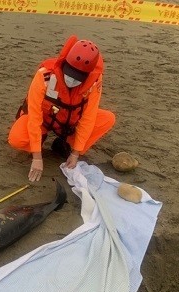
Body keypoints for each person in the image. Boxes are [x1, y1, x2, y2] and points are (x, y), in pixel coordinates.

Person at [8, 35, 116, 182]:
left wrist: (76, 153)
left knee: (107, 119)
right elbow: (34, 116)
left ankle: (65, 144)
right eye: (69, 73)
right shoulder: (44, 76)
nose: (71, 80)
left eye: (78, 78)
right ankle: (40, 139)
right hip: (44, 122)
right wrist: (37, 156)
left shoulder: (94, 82)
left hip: (69, 125)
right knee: (16, 138)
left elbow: (88, 118)